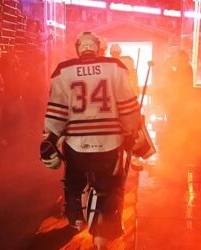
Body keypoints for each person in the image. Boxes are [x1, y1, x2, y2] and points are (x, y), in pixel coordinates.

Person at [39, 32, 141, 249]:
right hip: (109, 144)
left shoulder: (62, 71)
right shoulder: (115, 67)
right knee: (110, 190)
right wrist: (132, 131)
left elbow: (57, 112)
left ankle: (76, 218)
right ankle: (103, 234)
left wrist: (50, 139)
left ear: (78, 48)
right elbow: (127, 107)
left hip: (76, 146)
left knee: (74, 184)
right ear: (98, 47)